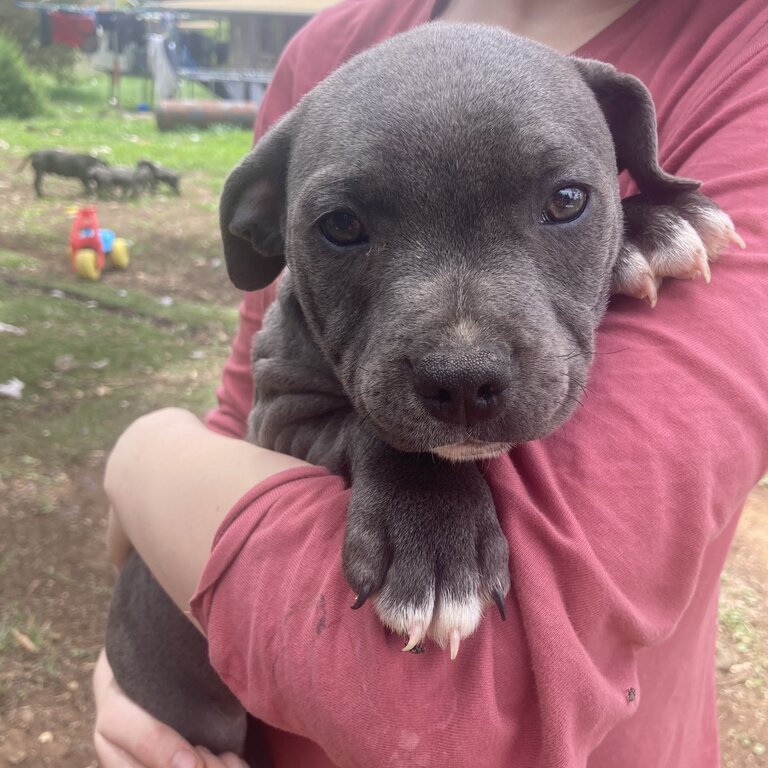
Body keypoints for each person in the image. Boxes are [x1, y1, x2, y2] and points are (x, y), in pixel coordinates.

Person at [93, 0, 768, 766]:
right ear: (265, 221)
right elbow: (257, 421)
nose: (463, 354)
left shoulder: (742, 60)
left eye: (563, 204)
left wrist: (143, 459)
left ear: (626, 163)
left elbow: (459, 707)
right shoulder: (328, 54)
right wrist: (401, 469)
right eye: (345, 229)